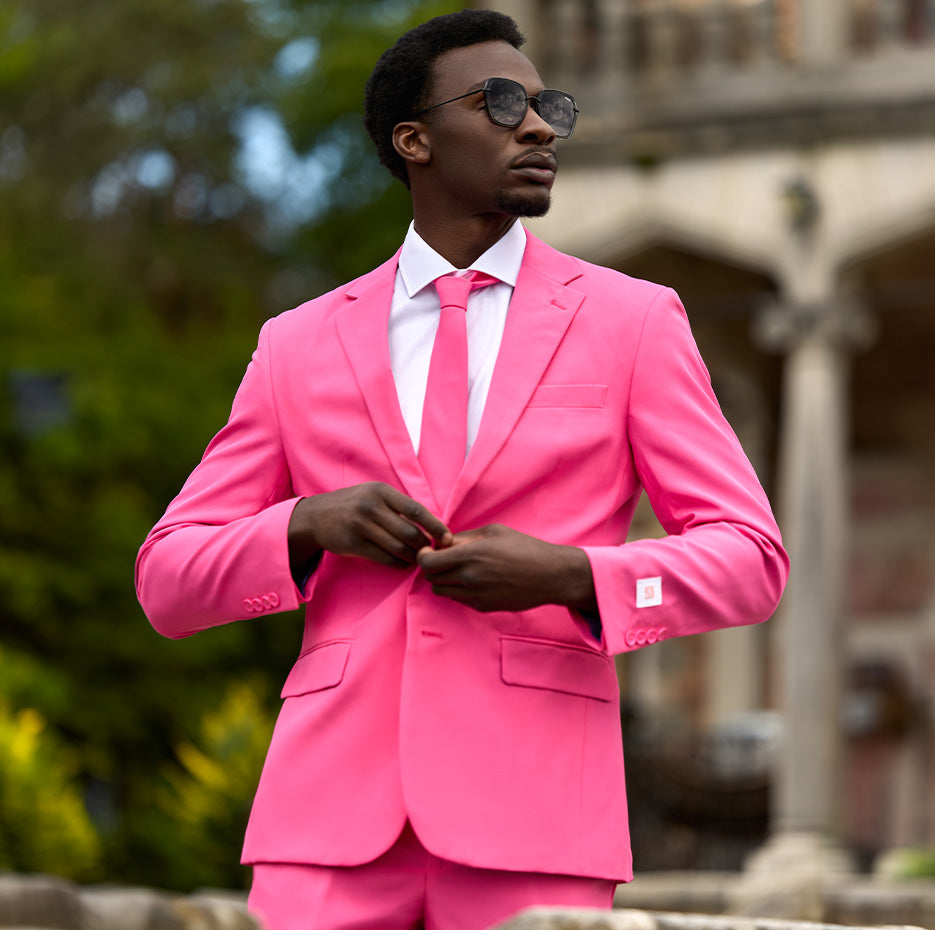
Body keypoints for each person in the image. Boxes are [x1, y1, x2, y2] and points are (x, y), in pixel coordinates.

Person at [136, 9, 788, 930]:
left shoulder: (632, 321)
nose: (537, 126)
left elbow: (749, 558)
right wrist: (303, 525)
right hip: (323, 827)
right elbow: (167, 580)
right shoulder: (297, 344)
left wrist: (572, 575)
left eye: (545, 106)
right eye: (501, 103)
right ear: (414, 140)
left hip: (536, 821)